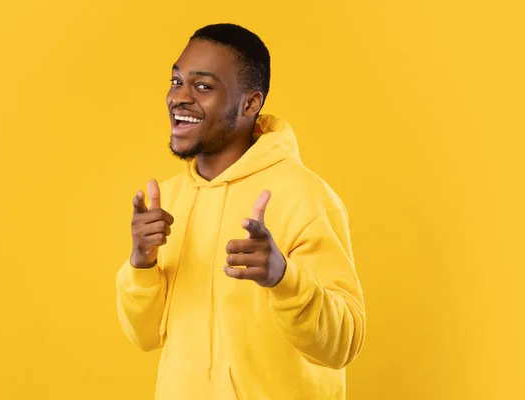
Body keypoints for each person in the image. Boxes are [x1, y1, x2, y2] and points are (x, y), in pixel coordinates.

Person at [116, 23, 366, 399]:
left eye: (203, 86)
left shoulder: (305, 196)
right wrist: (141, 263)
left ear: (250, 103)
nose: (178, 97)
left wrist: (284, 279)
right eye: (176, 80)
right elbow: (145, 337)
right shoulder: (165, 200)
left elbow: (343, 344)